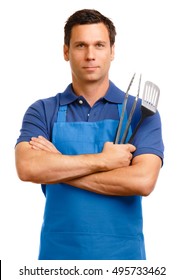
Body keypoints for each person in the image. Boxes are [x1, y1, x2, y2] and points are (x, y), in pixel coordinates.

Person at [15, 9, 164, 260]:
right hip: (57, 259)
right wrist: (102, 162)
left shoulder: (140, 113)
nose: (90, 55)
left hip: (122, 261)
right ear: (66, 52)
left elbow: (142, 181)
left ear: (112, 51)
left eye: (99, 45)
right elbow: (28, 167)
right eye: (80, 45)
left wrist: (58, 166)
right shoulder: (43, 110)